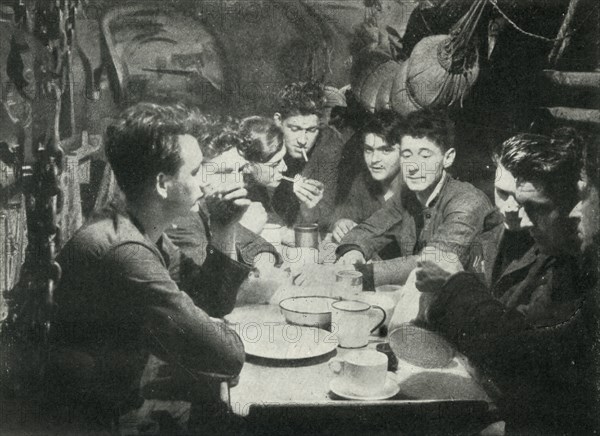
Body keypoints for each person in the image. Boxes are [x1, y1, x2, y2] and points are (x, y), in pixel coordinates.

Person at [43, 103, 248, 432]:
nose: (205, 186)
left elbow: (212, 301)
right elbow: (225, 356)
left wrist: (224, 228)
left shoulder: (133, 224)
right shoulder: (125, 251)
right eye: (195, 173)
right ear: (163, 183)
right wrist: (215, 331)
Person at [413, 130, 595, 434]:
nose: (518, 215)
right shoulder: (499, 233)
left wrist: (455, 285)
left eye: (536, 206)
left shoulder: (568, 260)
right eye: (503, 194)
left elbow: (525, 353)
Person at [336, 109, 497, 289]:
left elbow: (432, 264)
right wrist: (353, 252)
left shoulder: (467, 201)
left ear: (448, 158)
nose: (413, 167)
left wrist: (359, 274)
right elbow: (368, 230)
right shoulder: (407, 196)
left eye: (425, 155)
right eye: (406, 155)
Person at [270, 81, 345, 231]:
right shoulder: (263, 141)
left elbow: (326, 216)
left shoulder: (329, 146)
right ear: (278, 121)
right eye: (295, 129)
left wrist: (311, 209)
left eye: (311, 130)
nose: (303, 140)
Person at [330, 110, 403, 260]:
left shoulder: (416, 189)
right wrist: (342, 223)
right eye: (369, 150)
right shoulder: (362, 182)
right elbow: (343, 216)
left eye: (385, 150)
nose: (374, 159)